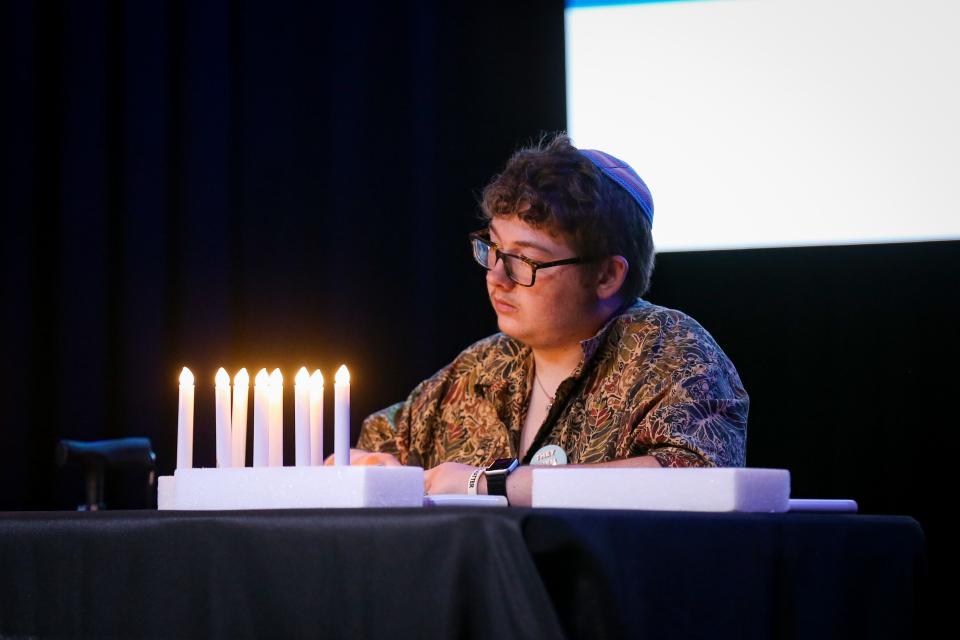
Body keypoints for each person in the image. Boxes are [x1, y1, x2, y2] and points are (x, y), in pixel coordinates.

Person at [348, 133, 748, 507]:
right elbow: (380, 445)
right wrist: (369, 468)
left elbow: (704, 477)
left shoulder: (669, 349)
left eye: (524, 260)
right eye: (493, 249)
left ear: (607, 275)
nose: (496, 277)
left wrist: (490, 484)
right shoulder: (483, 365)